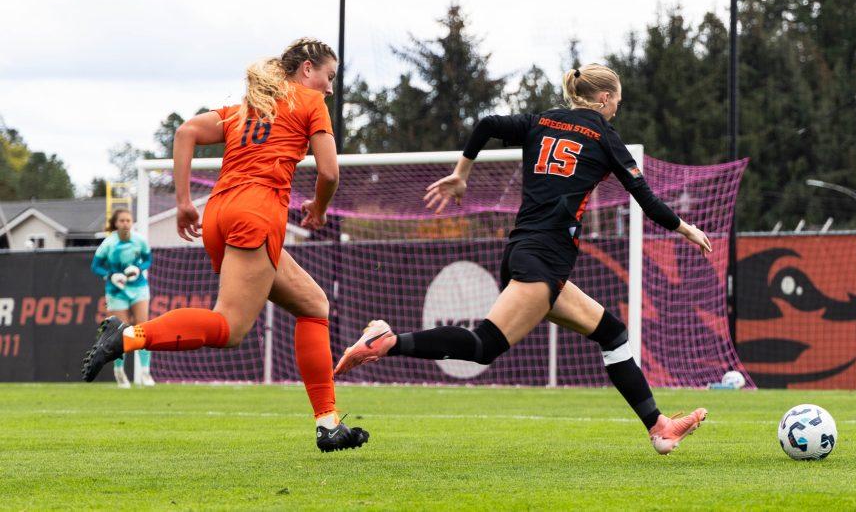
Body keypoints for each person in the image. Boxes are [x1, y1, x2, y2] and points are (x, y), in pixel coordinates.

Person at [335, 63, 712, 455]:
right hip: (543, 259)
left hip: (526, 253)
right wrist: (687, 229)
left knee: (612, 332)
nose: (617, 106)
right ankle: (387, 341)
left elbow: (486, 123)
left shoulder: (542, 121)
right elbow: (646, 200)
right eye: (617, 98)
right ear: (604, 98)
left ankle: (660, 427)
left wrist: (462, 174)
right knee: (483, 346)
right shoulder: (603, 135)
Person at [83, 38, 368, 452]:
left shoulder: (249, 108)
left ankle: (328, 424)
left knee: (313, 304)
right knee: (229, 328)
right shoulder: (309, 102)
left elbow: (186, 132)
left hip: (219, 212)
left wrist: (183, 203)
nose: (329, 87)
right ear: (307, 69)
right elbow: (329, 172)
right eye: (329, 76)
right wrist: (320, 209)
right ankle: (126, 337)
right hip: (257, 214)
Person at [90, 209, 155, 388]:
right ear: (116, 223)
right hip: (116, 290)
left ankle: (145, 372)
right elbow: (96, 266)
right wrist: (110, 275)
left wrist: (138, 269)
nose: (126, 223)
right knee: (120, 332)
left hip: (138, 288)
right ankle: (119, 371)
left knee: (142, 327)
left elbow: (148, 259)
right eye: (122, 220)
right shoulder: (108, 244)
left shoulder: (139, 240)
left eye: (128, 220)